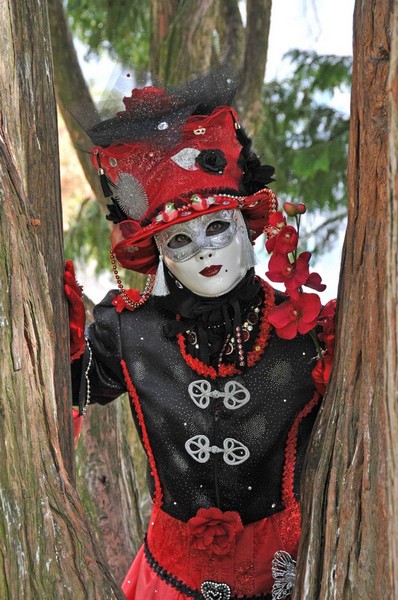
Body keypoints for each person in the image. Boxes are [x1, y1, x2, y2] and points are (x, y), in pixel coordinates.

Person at [65, 75, 335, 600]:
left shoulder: (309, 334)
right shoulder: (130, 332)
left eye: (218, 227)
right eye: (181, 240)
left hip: (292, 582)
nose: (205, 253)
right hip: (167, 583)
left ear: (248, 221)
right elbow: (61, 387)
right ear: (159, 252)